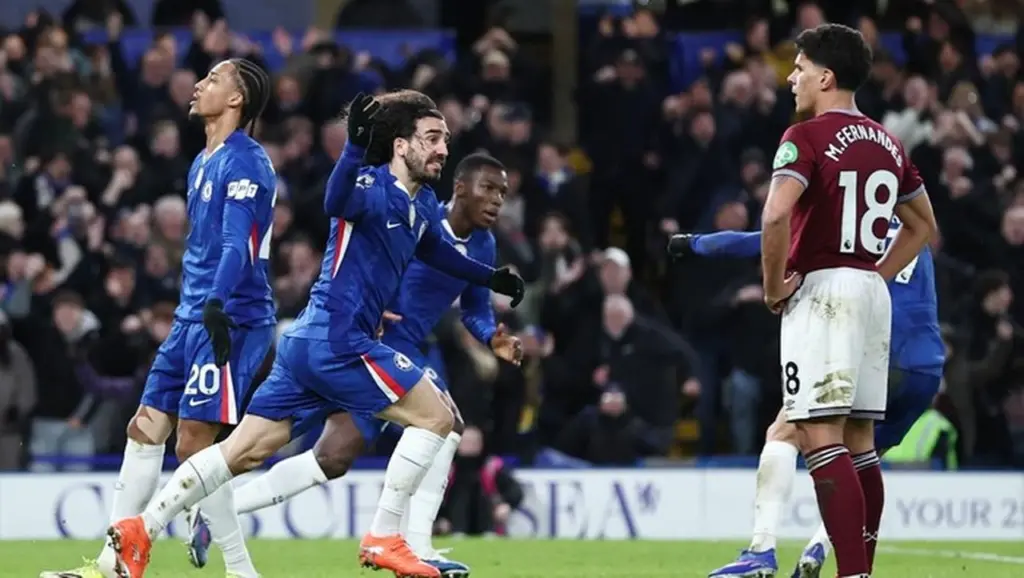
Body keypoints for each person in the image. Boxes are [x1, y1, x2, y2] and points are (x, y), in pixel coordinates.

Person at [101, 90, 526, 578]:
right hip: (341, 340)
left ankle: (142, 527)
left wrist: (489, 278)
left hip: (307, 343)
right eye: (432, 138)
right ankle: (387, 537)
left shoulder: (423, 202)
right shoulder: (369, 184)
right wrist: (353, 147)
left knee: (241, 451)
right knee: (438, 419)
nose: (442, 150)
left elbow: (434, 250)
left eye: (445, 140)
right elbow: (334, 199)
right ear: (401, 145)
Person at [189, 152, 522, 578]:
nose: (497, 200)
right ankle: (416, 546)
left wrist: (492, 337)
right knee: (447, 424)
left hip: (406, 348)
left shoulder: (483, 245)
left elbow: (475, 308)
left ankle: (217, 512)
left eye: (503, 193)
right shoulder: (420, 220)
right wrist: (370, 307)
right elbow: (366, 264)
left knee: (333, 458)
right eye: (488, 188)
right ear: (460, 188)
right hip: (366, 342)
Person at [690, 23, 935, 578]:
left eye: (799, 68)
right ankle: (861, 569)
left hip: (824, 291)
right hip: (870, 292)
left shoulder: (804, 137)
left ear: (825, 77)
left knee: (821, 437)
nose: (791, 78)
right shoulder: (889, 142)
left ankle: (850, 573)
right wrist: (875, 274)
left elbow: (776, 214)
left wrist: (774, 286)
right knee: (861, 442)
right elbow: (923, 225)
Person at [41, 58, 276, 578]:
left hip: (230, 317)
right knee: (144, 429)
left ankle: (239, 570)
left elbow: (238, 244)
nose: (198, 84)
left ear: (236, 99)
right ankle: (111, 565)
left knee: (193, 443)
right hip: (191, 317)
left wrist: (216, 302)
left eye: (212, 79)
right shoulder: (201, 162)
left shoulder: (248, 163)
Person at [670, 215, 943, 577]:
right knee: (862, 458)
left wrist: (694, 243)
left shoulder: (844, 220)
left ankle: (761, 550)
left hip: (869, 345)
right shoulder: (910, 229)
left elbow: (766, 236)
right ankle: (820, 547)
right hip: (925, 366)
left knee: (784, 433)